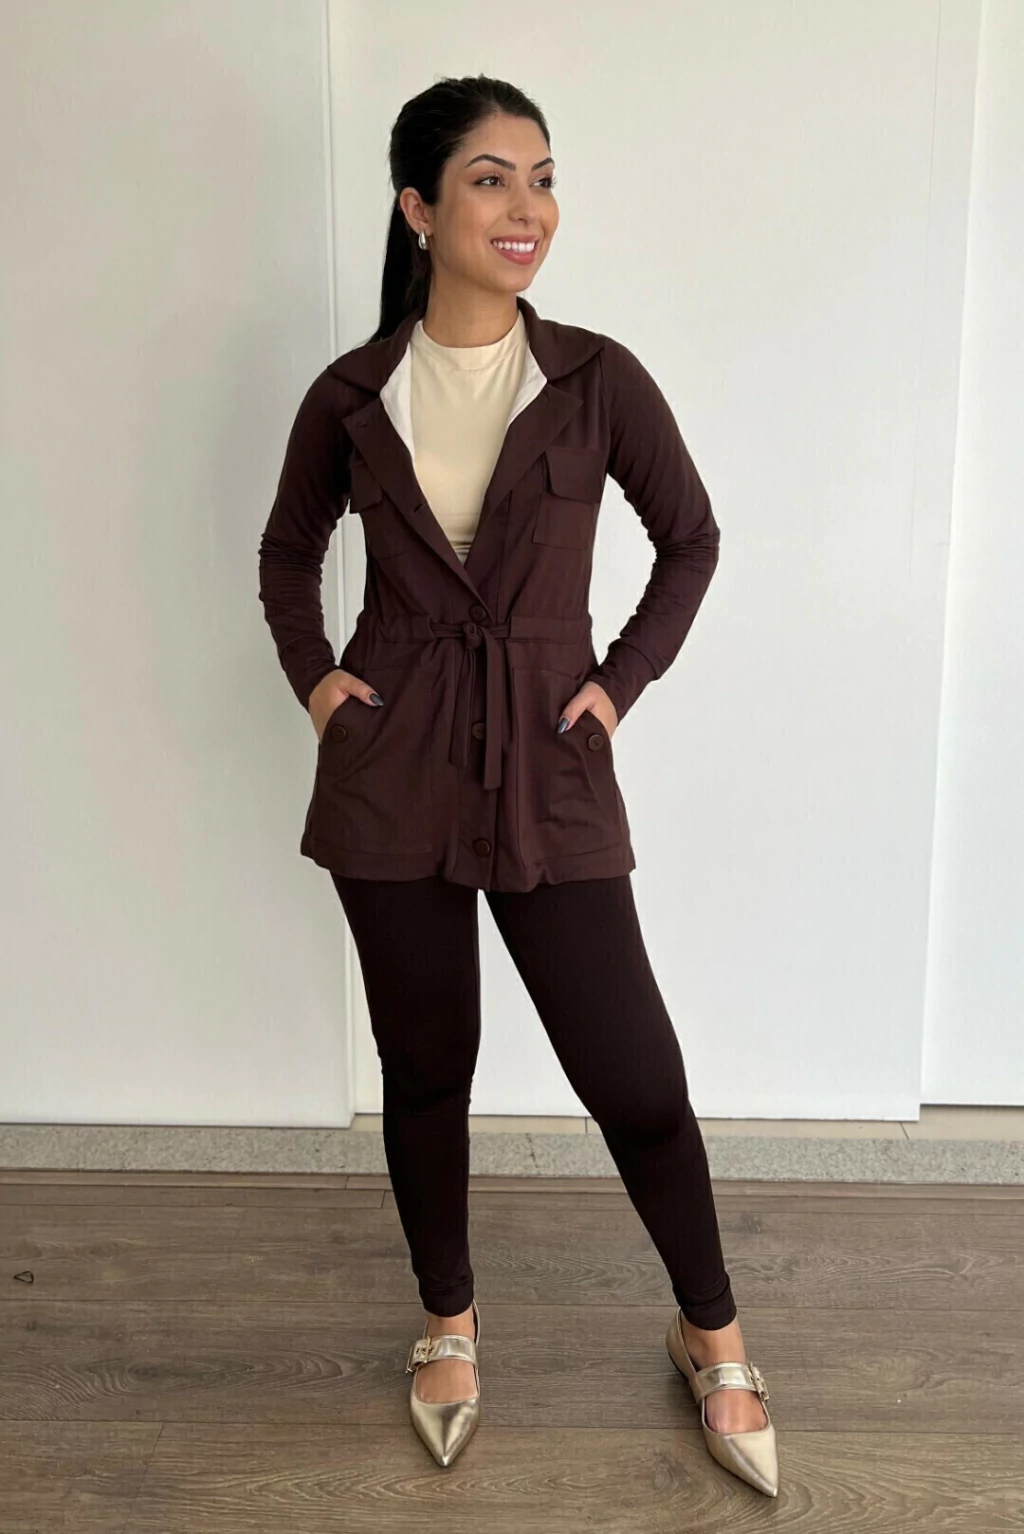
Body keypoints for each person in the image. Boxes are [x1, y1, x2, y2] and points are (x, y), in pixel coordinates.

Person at [258, 73, 778, 1495]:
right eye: (490, 178)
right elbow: (287, 552)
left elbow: (691, 538)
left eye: (542, 177)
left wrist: (619, 680)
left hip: (552, 761)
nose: (527, 207)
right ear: (418, 209)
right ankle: (449, 1318)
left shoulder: (597, 380)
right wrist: (320, 683)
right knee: (429, 1066)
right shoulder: (353, 395)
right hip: (393, 771)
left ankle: (712, 1328)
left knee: (634, 1073)